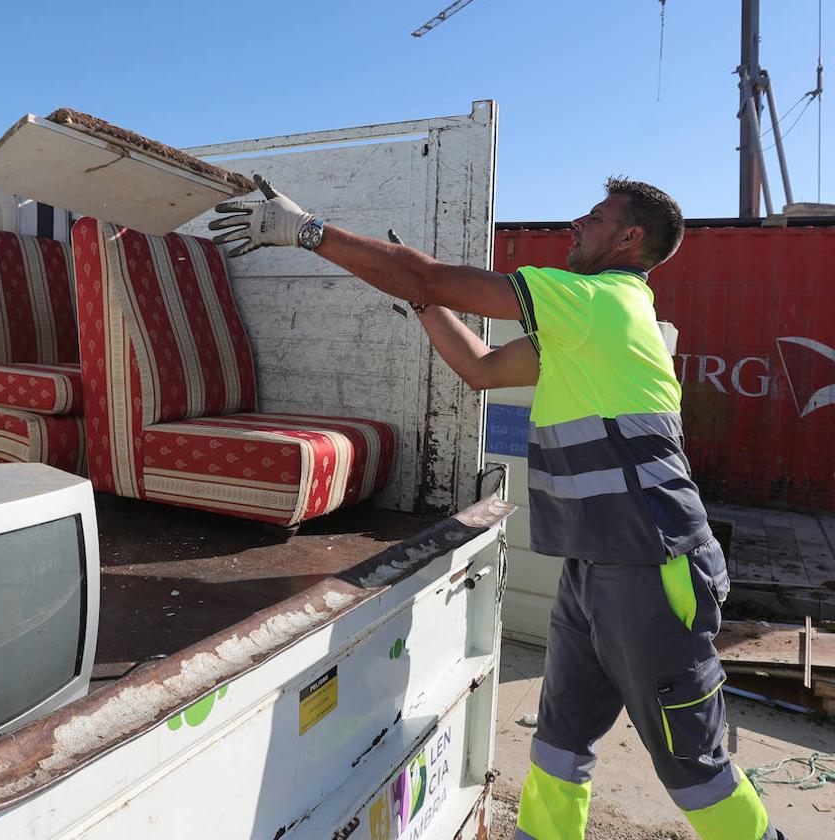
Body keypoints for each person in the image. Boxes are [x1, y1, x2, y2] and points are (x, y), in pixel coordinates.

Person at [209, 176, 782, 840]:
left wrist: (308, 232)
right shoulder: (582, 325)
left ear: (630, 238)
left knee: (693, 766)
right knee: (561, 744)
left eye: (594, 218)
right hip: (593, 570)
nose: (577, 222)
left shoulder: (602, 302)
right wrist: (421, 299)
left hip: (652, 565)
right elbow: (481, 367)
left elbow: (433, 275)